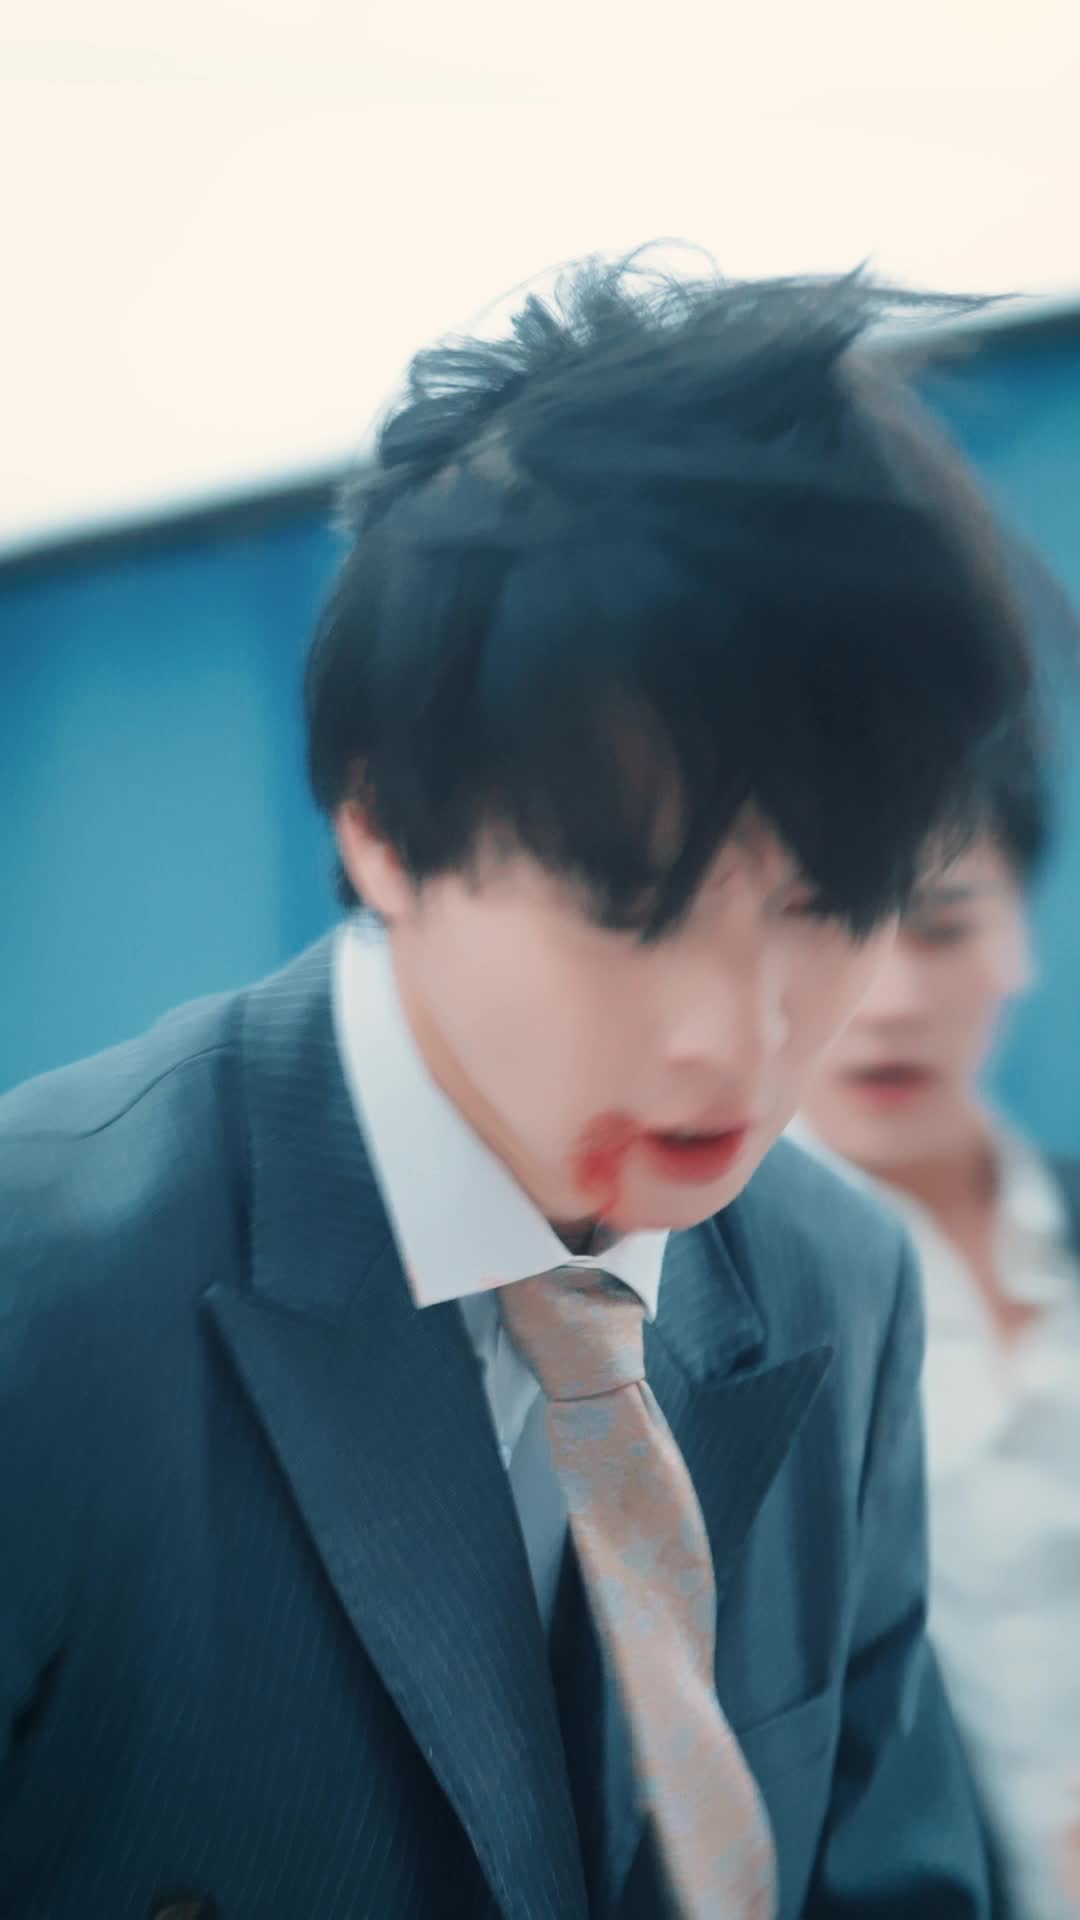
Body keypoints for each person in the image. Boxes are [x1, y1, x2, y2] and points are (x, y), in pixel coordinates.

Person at [0, 255, 1041, 1920]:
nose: (738, 1035)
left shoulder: (833, 1282)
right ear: (380, 824)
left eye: (829, 905)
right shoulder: (45, 1293)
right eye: (632, 910)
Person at [798, 722, 1080, 1920]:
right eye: (829, 929)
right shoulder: (698, 1316)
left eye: (943, 927)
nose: (891, 1000)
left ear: (1021, 936)